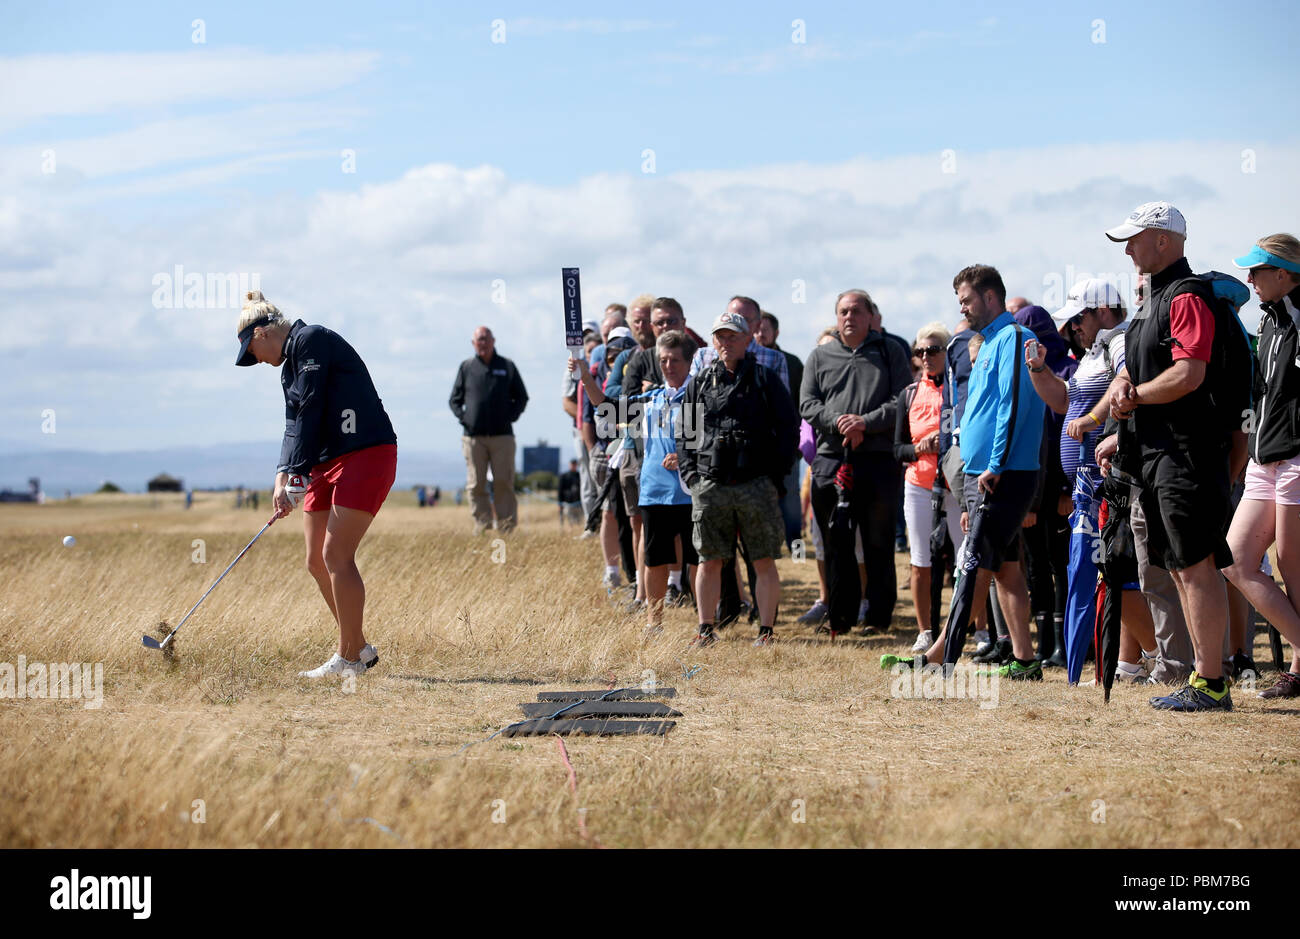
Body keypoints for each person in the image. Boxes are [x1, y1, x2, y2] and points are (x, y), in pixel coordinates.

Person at [1104, 201, 1238, 711]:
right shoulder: (1152, 300)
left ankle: (1211, 683)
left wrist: (1134, 396)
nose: (1129, 249)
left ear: (1164, 240)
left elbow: (1190, 373)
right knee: (1180, 567)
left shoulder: (1185, 296)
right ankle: (1204, 679)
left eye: (1135, 239)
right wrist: (1121, 386)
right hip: (1156, 454)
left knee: (1196, 564)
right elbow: (1138, 367)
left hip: (1185, 452)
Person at [882, 265, 1045, 678]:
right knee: (1005, 568)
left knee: (973, 563)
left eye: (967, 300)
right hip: (983, 472)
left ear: (990, 298)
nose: (963, 308)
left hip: (1001, 472)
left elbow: (1013, 405)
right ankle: (1026, 660)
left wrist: (993, 465)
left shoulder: (1014, 339)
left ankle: (940, 658)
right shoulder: (987, 342)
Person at [235, 290, 397, 679]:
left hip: (365, 453)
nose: (255, 361)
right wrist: (282, 475)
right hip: (326, 463)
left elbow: (310, 406)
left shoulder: (311, 340)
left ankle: (347, 659)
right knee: (316, 560)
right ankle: (359, 648)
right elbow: (294, 425)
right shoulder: (289, 368)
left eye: (251, 352)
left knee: (336, 555)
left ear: (260, 335)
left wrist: (297, 474)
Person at [1026, 280, 1156, 682]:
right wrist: (1038, 368)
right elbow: (1064, 401)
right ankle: (1129, 664)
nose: (1072, 329)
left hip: (1110, 481)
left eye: (1078, 318)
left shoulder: (1118, 341)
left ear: (1102, 311)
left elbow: (1125, 383)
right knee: (1105, 572)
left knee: (1112, 572)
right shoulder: (1092, 351)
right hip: (1087, 485)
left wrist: (1096, 421)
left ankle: (1159, 655)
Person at [679, 311, 799, 646]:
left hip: (756, 483)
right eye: (720, 336)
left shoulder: (764, 379)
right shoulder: (700, 382)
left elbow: (788, 430)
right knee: (709, 560)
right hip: (711, 482)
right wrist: (691, 475)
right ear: (713, 341)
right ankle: (705, 629)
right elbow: (685, 433)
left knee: (762, 559)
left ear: (749, 339)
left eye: (733, 335)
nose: (726, 342)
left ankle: (766, 631)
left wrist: (776, 477)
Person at [802, 289, 912, 638]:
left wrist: (866, 422)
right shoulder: (820, 356)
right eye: (843, 312)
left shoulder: (890, 351)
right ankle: (840, 617)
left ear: (870, 317)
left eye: (856, 312)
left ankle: (878, 617)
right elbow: (807, 403)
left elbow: (902, 400)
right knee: (837, 542)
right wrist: (839, 422)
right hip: (831, 461)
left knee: (878, 542)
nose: (849, 317)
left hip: (878, 460)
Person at [1223, 234, 1300, 699]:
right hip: (1263, 458)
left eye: (1257, 271)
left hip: (1294, 457)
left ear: (1286, 274)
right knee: (1234, 561)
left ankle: (1296, 667)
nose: (1249, 279)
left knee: (1292, 570)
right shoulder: (1269, 322)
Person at [894, 322, 963, 652]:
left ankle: (972, 628)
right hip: (919, 485)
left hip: (955, 485)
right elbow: (898, 449)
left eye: (933, 350)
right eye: (920, 351)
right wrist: (921, 448)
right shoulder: (908, 394)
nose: (926, 356)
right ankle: (925, 631)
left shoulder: (958, 388)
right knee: (920, 559)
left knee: (966, 560)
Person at [635, 331, 699, 632]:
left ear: (689, 361)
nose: (668, 366)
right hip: (655, 490)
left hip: (691, 490)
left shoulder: (701, 396)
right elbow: (605, 403)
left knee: (698, 559)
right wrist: (583, 372)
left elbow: (713, 438)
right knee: (655, 559)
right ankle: (654, 622)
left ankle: (705, 624)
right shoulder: (651, 397)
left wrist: (685, 457)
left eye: (674, 360)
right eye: (663, 360)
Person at [449, 326, 528, 534]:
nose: (482, 343)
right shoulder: (466, 367)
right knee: (476, 484)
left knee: (503, 481)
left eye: (486, 339)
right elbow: (454, 400)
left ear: (493, 340)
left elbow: (521, 397)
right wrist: (465, 419)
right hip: (474, 438)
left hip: (502, 437)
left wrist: (510, 416)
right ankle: (481, 525)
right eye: (479, 340)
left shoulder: (507, 366)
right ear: (473, 343)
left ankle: (506, 527)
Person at [558, 459, 582, 527]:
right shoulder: (564, 476)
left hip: (579, 503)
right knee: (570, 522)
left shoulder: (579, 475)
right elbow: (560, 490)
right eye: (572, 464)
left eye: (575, 464)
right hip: (568, 503)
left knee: (579, 522)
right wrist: (560, 503)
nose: (573, 466)